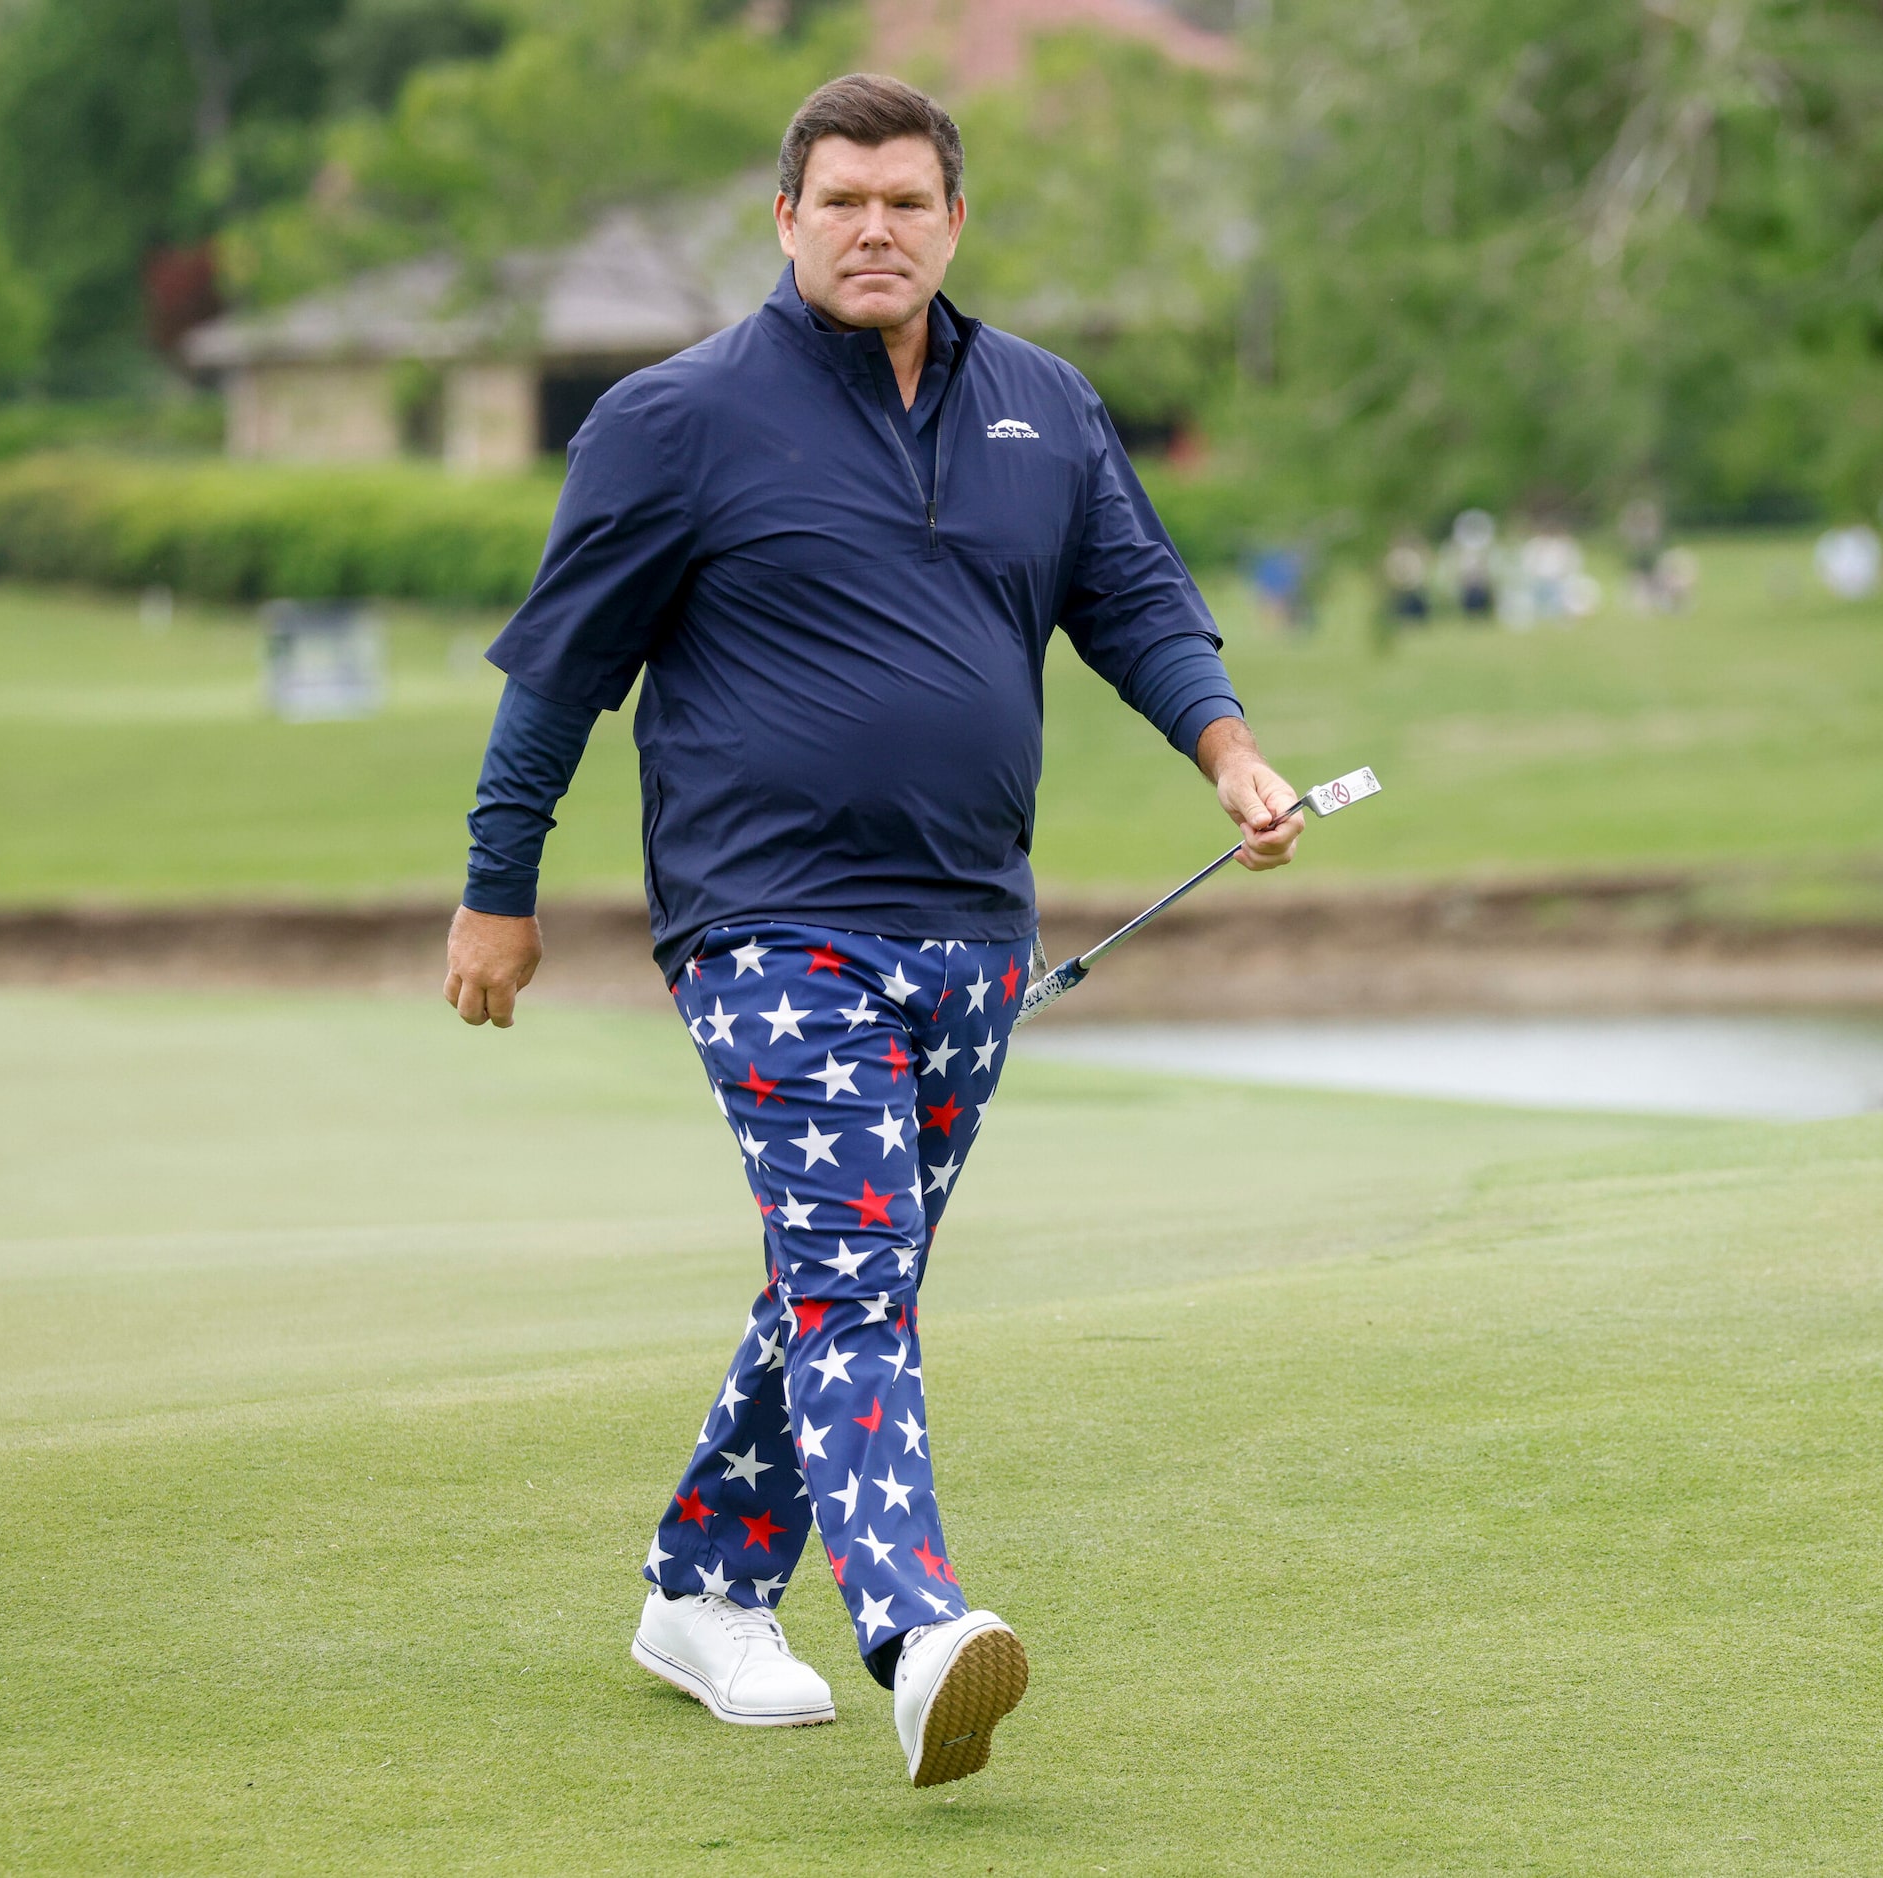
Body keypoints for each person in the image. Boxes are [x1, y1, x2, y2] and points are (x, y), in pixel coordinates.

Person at [438, 74, 1303, 1789]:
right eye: (841, 200)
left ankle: (701, 1583)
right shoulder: (671, 420)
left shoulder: (1043, 406)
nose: (874, 227)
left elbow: (1135, 599)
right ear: (785, 219)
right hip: (765, 921)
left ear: (953, 221)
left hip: (973, 926)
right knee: (853, 1273)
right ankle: (915, 1627)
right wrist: (498, 887)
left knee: (853, 1270)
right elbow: (560, 675)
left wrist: (1230, 748)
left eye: (907, 200)